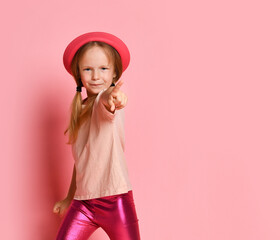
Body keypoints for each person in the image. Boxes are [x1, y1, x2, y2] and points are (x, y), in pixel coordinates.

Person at [52, 32, 141, 240]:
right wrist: (68, 198)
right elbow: (81, 161)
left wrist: (115, 98)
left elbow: (106, 101)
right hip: (83, 203)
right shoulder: (79, 109)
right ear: (79, 75)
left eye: (103, 69)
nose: (95, 76)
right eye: (88, 69)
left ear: (114, 74)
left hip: (115, 200)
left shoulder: (105, 102)